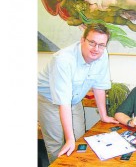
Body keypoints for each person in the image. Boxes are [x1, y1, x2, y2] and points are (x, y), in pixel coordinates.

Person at [38, 23, 119, 164]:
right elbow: (63, 102)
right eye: (92, 43)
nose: (96, 49)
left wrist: (104, 116)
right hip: (49, 100)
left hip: (75, 99)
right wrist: (69, 139)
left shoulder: (102, 54)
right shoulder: (63, 60)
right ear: (82, 40)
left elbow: (99, 86)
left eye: (101, 44)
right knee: (56, 144)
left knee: (80, 139)